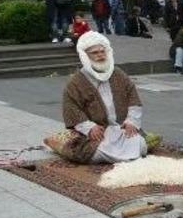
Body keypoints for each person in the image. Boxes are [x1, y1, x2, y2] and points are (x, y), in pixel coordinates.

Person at [60, 32, 147, 163]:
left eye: (102, 51)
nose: (100, 55)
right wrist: (89, 127)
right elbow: (71, 108)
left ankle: (120, 157)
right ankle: (124, 158)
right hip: (97, 132)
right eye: (95, 53)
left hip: (120, 128)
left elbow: (133, 99)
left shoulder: (118, 74)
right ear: (85, 56)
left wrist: (131, 121)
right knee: (96, 151)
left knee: (140, 144)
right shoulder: (77, 81)